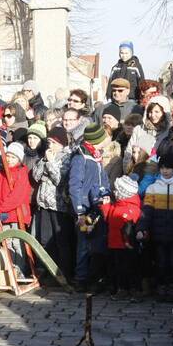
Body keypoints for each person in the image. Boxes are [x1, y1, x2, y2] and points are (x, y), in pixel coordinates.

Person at [141, 154, 173, 296]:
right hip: (159, 234)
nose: (165, 171)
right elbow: (147, 211)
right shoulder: (153, 188)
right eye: (162, 168)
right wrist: (143, 228)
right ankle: (162, 286)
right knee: (161, 262)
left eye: (168, 168)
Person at [69, 123, 112, 291]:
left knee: (96, 245)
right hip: (85, 210)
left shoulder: (96, 156)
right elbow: (75, 185)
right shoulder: (81, 157)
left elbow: (102, 180)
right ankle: (81, 278)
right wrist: (79, 210)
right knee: (84, 245)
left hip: (98, 207)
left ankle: (94, 278)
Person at [31, 127, 74, 282]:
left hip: (59, 205)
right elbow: (36, 176)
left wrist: (50, 164)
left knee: (61, 241)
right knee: (45, 240)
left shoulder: (67, 158)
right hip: (44, 203)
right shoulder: (45, 156)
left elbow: (59, 180)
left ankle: (63, 274)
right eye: (49, 142)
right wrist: (44, 161)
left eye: (54, 143)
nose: (51, 146)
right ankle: (48, 273)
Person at [0, 142, 33, 230]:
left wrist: (1, 208)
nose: (9, 159)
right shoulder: (0, 174)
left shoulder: (22, 173)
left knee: (17, 241)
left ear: (19, 160)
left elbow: (17, 196)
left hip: (17, 215)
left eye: (13, 157)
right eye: (8, 156)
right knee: (6, 240)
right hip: (3, 214)